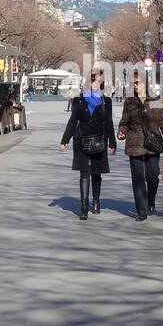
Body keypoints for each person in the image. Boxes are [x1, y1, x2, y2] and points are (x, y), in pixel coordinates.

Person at [118, 77, 163, 221]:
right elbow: (125, 121)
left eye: (138, 83)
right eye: (134, 84)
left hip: (153, 143)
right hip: (134, 143)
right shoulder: (129, 102)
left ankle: (150, 199)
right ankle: (142, 210)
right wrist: (122, 132)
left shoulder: (155, 100)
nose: (136, 86)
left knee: (152, 175)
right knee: (138, 178)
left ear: (145, 83)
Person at [60, 71, 117, 219]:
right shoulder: (79, 100)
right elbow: (73, 120)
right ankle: (84, 207)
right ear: (88, 84)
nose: (96, 84)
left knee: (96, 172)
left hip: (99, 139)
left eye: (98, 82)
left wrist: (112, 141)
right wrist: (65, 139)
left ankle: (96, 201)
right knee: (84, 172)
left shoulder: (106, 101)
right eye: (93, 81)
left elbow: (109, 122)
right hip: (82, 139)